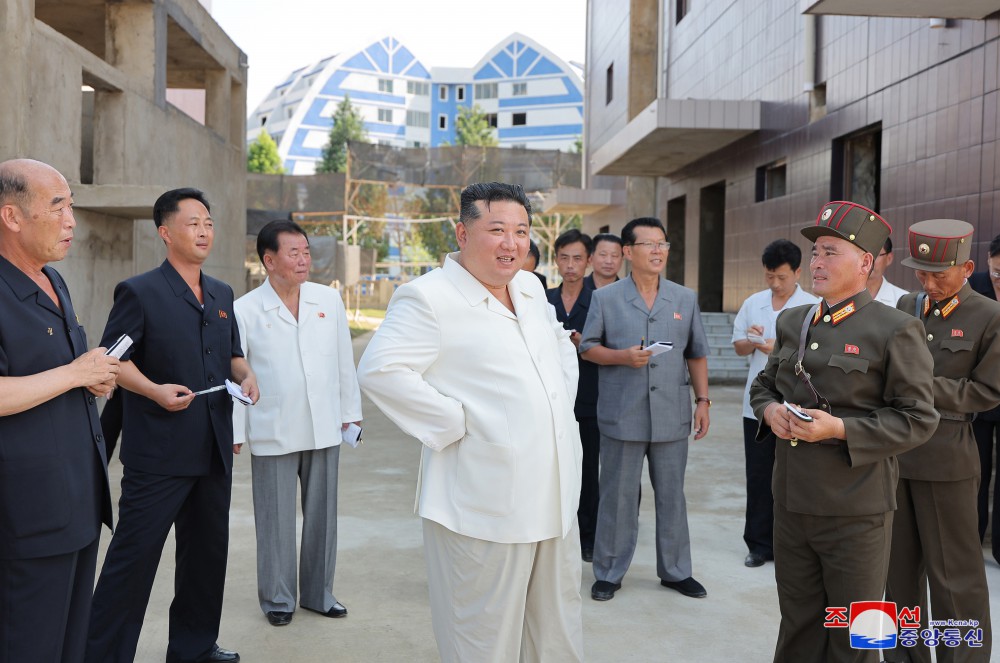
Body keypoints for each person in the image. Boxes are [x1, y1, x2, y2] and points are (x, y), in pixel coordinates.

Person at [357, 182, 583, 662]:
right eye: (496, 230)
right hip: (483, 503)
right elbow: (380, 370)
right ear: (462, 232)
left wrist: (554, 412)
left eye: (521, 232)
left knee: (556, 633)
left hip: (554, 497)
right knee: (482, 640)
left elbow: (559, 350)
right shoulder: (428, 297)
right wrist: (456, 423)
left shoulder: (527, 286)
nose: (511, 243)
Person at [749, 200, 938, 662]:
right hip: (792, 502)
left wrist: (841, 430)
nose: (816, 261)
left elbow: (918, 418)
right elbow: (764, 385)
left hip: (856, 510)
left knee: (855, 635)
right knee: (798, 624)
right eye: (815, 252)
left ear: (865, 262)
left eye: (830, 252)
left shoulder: (896, 329)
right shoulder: (793, 320)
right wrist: (770, 411)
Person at [85, 188, 259, 663]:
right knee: (133, 559)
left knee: (206, 556)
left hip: (213, 449)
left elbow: (233, 356)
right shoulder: (139, 291)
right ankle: (102, 654)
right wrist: (156, 390)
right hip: (159, 454)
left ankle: (194, 647)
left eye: (208, 222)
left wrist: (246, 376)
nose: (204, 231)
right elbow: (113, 361)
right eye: (192, 223)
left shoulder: (222, 293)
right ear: (165, 232)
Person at [0, 158, 117, 663]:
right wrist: (74, 375)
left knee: (71, 644)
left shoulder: (53, 280)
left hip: (78, 503)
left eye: (71, 206)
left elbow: (49, 375)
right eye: (58, 207)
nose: (71, 220)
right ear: (12, 217)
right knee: (30, 644)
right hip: (27, 515)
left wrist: (90, 381)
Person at [233, 220, 362, 627]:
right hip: (274, 426)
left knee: (323, 515)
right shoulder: (245, 309)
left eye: (306, 251)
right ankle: (278, 598)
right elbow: (238, 373)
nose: (304, 259)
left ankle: (319, 594)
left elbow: (344, 359)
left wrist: (350, 412)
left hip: (324, 425)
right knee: (275, 520)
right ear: (269, 260)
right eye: (294, 252)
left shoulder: (328, 299)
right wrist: (236, 431)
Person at [885, 219, 1000, 663]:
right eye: (921, 273)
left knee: (954, 578)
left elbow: (985, 393)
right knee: (896, 576)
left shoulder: (989, 317)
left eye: (939, 274)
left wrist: (920, 385)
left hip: (947, 461)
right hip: (893, 458)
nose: (929, 283)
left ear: (968, 267)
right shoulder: (906, 306)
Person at [580, 216, 711, 602]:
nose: (658, 251)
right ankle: (608, 571)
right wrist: (621, 356)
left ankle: (675, 571)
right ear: (627, 252)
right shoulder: (606, 298)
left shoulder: (684, 298)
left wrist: (703, 401)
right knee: (617, 497)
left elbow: (697, 353)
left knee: (673, 496)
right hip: (622, 414)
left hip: (672, 413)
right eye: (649, 244)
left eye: (663, 244)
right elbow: (588, 347)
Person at [731, 239, 818, 568]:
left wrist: (773, 347)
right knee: (758, 475)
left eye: (782, 277)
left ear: (798, 272)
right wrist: (751, 341)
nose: (776, 283)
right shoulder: (754, 303)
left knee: (796, 477)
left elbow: (815, 354)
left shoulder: (813, 306)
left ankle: (793, 544)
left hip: (798, 405)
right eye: (770, 277)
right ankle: (758, 544)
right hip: (758, 406)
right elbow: (738, 345)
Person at [546, 228, 600, 562]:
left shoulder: (599, 301)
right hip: (552, 399)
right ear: (556, 260)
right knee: (552, 469)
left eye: (577, 258)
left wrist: (586, 346)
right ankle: (553, 531)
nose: (570, 265)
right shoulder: (543, 299)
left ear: (588, 261)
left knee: (588, 471)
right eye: (564, 258)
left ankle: (588, 536)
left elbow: (608, 345)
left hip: (590, 398)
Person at [969, 233, 1000, 564]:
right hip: (976, 393)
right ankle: (970, 541)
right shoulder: (974, 285)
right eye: (996, 271)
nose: (999, 278)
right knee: (975, 472)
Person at [867, 236, 909, 306]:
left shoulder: (904, 301)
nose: (868, 261)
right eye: (864, 254)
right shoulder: (843, 296)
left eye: (875, 254)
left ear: (889, 258)